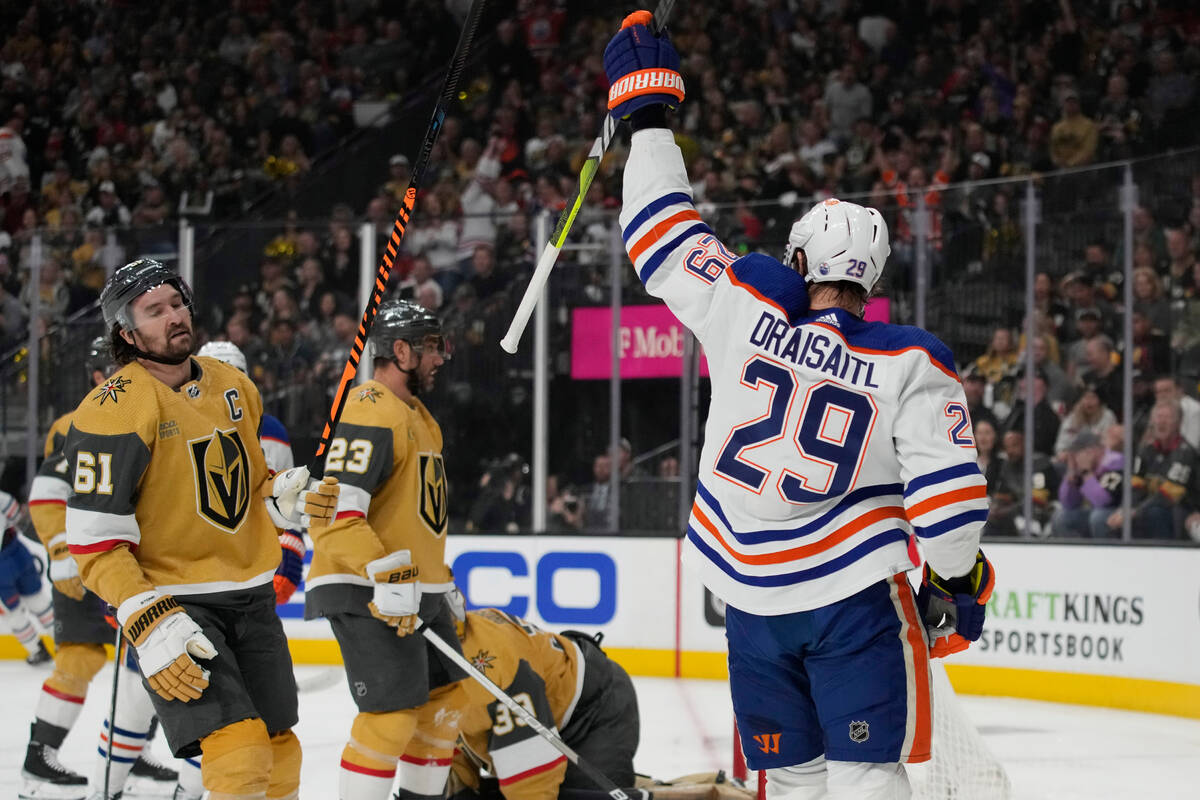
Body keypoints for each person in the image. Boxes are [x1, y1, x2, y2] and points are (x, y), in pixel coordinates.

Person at [604, 14, 993, 799]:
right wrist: (959, 585)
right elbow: (951, 518)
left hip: (747, 598)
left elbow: (657, 231)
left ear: (798, 257)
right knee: (867, 775)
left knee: (789, 780)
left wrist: (646, 117)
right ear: (873, 278)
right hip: (851, 600)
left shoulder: (745, 298)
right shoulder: (909, 359)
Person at [62, 259, 339, 800]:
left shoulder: (233, 385)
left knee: (281, 752)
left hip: (251, 598)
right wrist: (145, 617)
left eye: (177, 303)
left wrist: (282, 495)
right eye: (154, 310)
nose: (174, 316)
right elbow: (94, 543)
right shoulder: (112, 409)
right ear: (126, 331)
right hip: (179, 609)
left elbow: (248, 481)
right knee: (238, 755)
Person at [304, 299, 468, 800]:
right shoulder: (369, 408)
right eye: (432, 347)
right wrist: (383, 571)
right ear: (401, 351)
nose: (441, 358)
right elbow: (333, 513)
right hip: (365, 587)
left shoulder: (418, 416)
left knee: (445, 705)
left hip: (417, 588)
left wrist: (442, 583)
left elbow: (416, 517)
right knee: (391, 717)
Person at [22, 335, 185, 800]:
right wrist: (60, 550)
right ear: (98, 376)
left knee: (148, 663)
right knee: (84, 657)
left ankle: (129, 757)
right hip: (87, 562)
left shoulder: (149, 412)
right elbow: (48, 492)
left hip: (132, 566)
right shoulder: (80, 422)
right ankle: (39, 759)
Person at [408, 606, 639, 800]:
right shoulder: (431, 661)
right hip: (532, 712)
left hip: (592, 713)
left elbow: (533, 783)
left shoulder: (495, 673)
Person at [197, 340, 306, 606]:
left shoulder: (268, 429)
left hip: (249, 559)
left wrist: (289, 553)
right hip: (192, 563)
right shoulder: (176, 424)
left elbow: (285, 497)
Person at [1104, 401, 1199, 539]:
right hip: (1148, 508)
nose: (1162, 422)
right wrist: (1125, 509)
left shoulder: (1185, 453)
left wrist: (1135, 511)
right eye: (1158, 417)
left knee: (1154, 513)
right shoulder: (1146, 450)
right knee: (1105, 520)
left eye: (1167, 418)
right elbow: (1135, 487)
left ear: (1178, 423)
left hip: (1182, 510)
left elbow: (1168, 496)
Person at [0, 488, 54, 666]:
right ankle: (66, 644)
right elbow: (14, 513)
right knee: (39, 601)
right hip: (18, 552)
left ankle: (37, 650)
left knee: (13, 613)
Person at [1050, 430, 1124, 538]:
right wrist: (1071, 474)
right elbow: (1068, 503)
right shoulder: (1083, 466)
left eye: (1077, 453)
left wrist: (1086, 473)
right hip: (1095, 511)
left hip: (1118, 512)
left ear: (1091, 451)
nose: (1074, 458)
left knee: (1097, 517)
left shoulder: (1115, 461)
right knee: (1061, 517)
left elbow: (1103, 502)